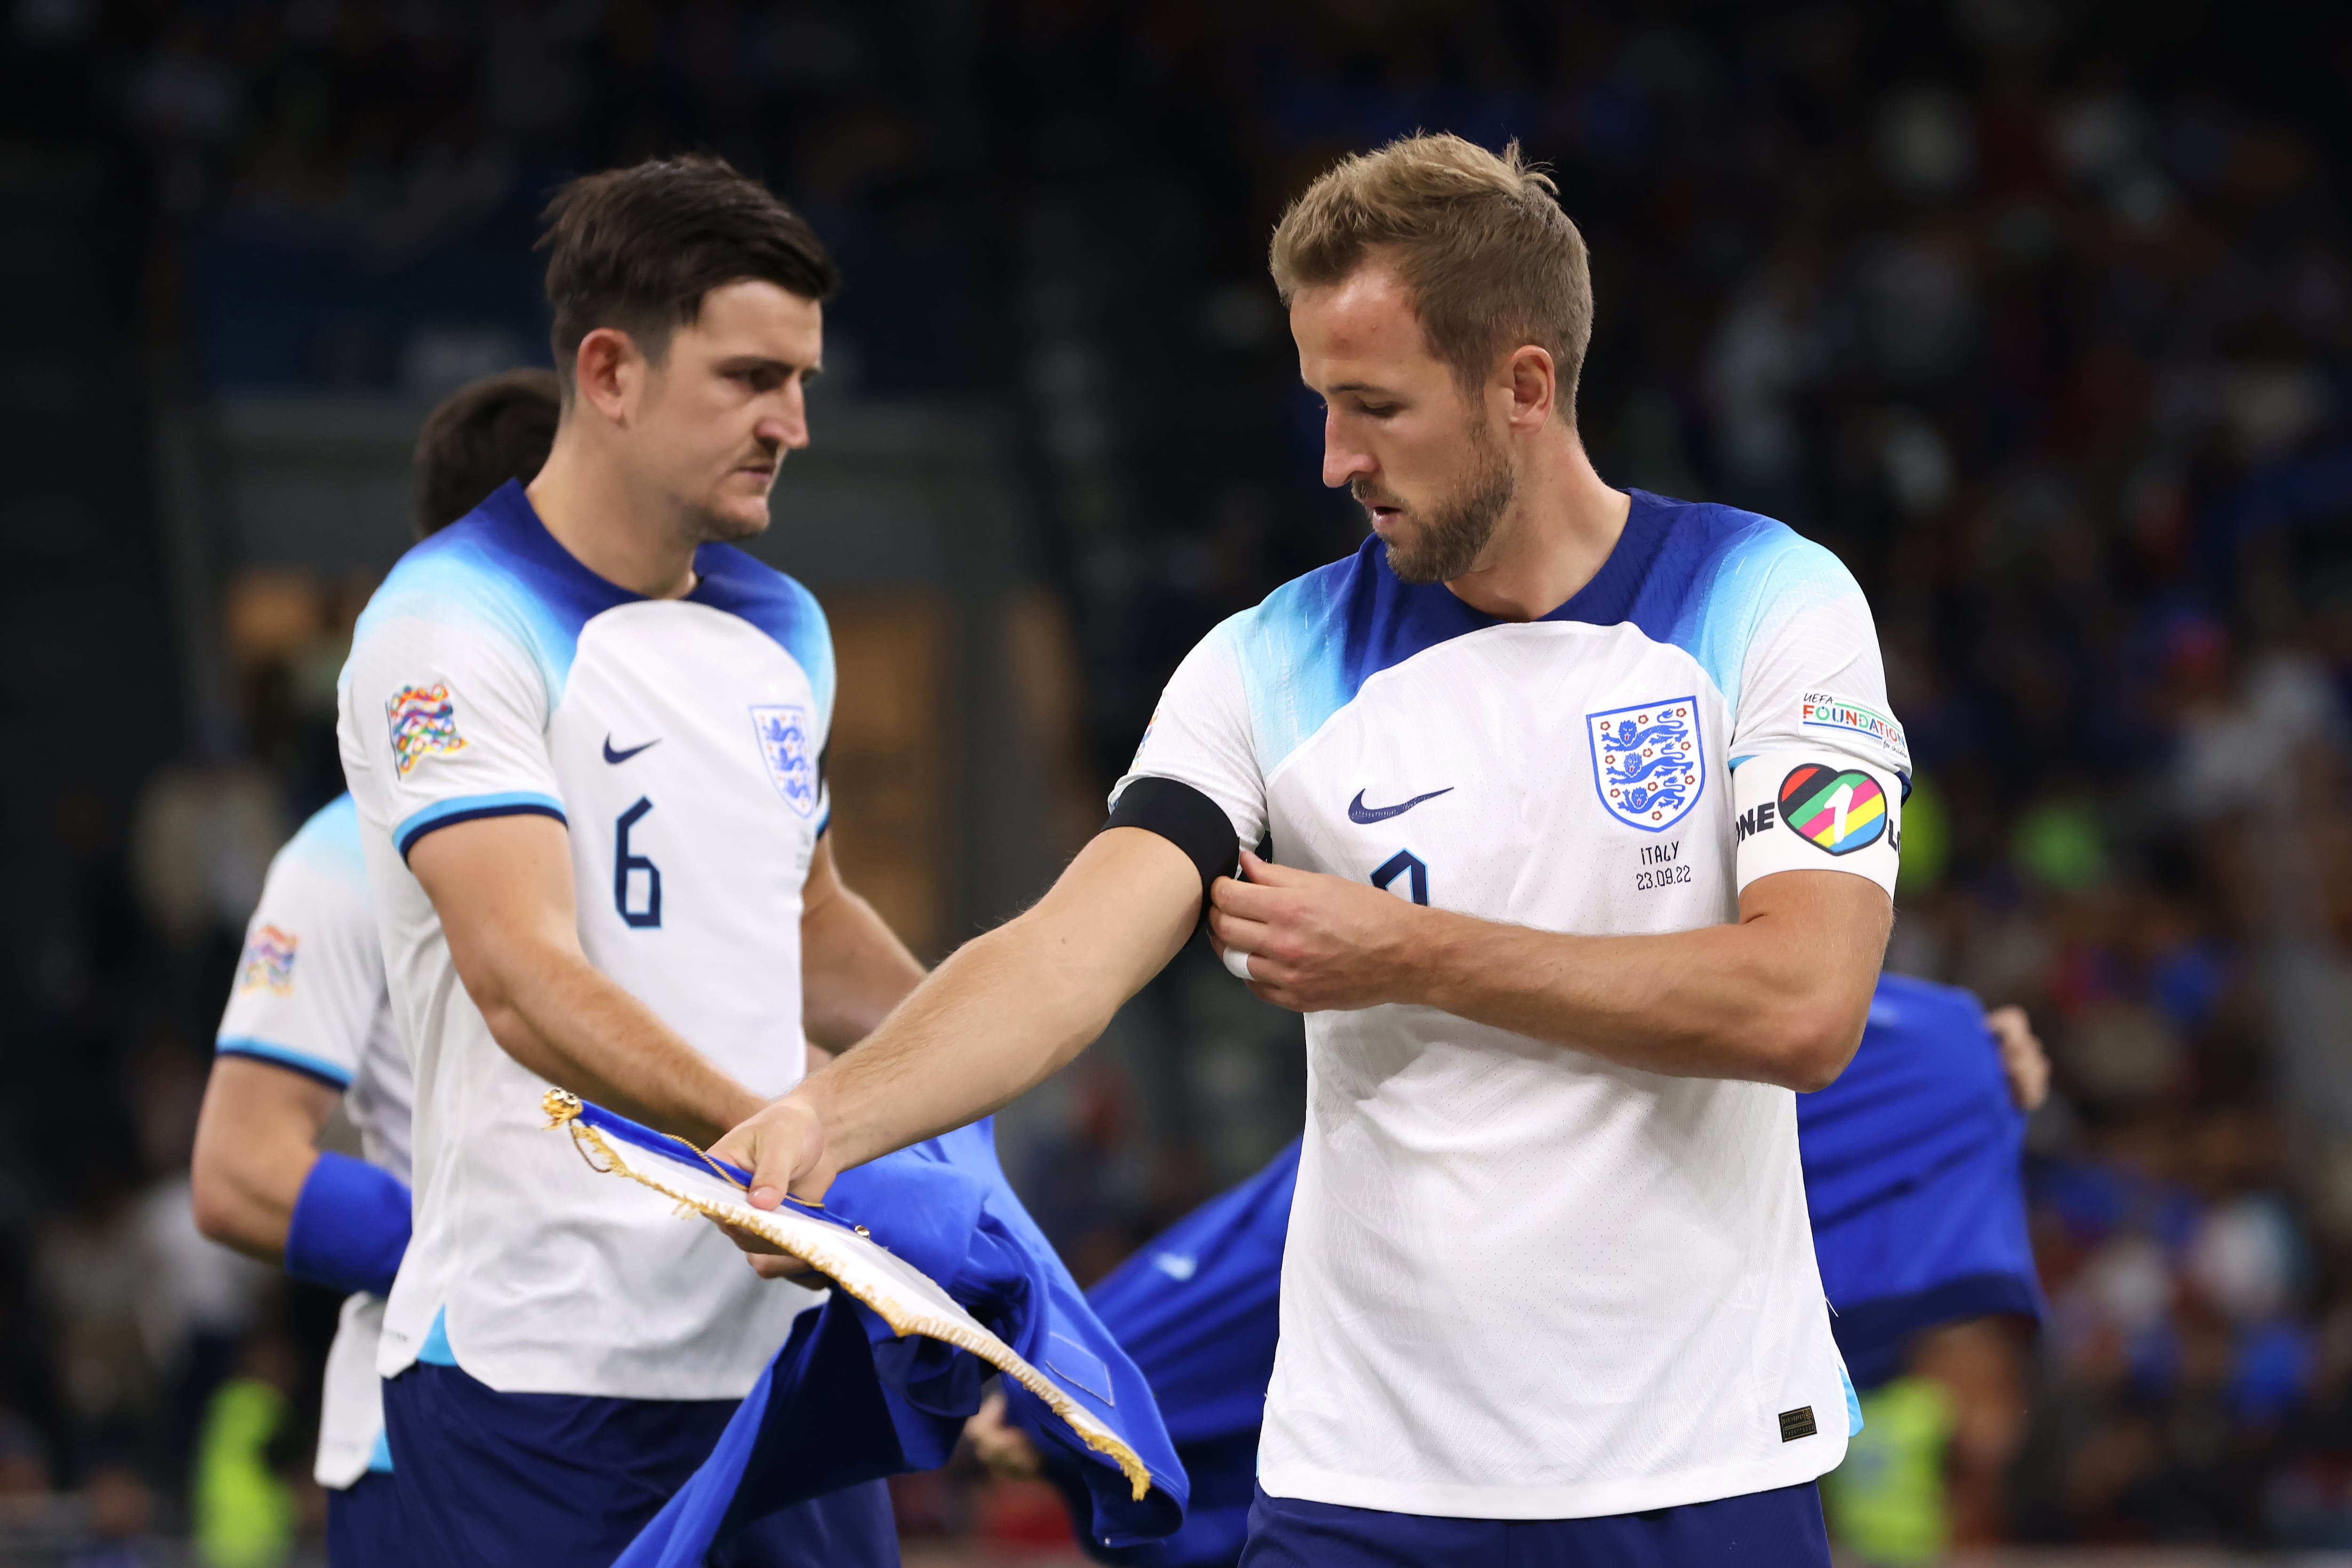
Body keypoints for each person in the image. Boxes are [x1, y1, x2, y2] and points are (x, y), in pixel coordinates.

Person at [715, 131, 1912, 1566]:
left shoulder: (1771, 599)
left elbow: (1804, 1004)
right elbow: (1063, 954)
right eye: (1322, 405)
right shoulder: (1267, 661)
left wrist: (1410, 951)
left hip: (1696, 1463)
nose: (1337, 457)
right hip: (1367, 1480)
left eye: (1377, 407)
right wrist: (828, 1122)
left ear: (1523, 386)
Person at [334, 156, 923, 1567]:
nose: (792, 422)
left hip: (776, 1354)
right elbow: (523, 977)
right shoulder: (448, 619)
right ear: (609, 370)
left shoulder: (786, 623)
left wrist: (963, 1082)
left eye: (803, 380)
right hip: (538, 1370)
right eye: (749, 378)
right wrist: (770, 1151)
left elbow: (816, 924)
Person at [961, 978, 2055, 1568]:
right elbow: (1261, 1258)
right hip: (1434, 1451)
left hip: (1640, 1464)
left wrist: (1953, 1057)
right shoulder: (1424, 1131)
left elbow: (1792, 1000)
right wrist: (1074, 1381)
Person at [190, 366, 563, 1568]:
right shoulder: (344, 849)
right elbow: (242, 1172)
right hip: (438, 1438)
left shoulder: (662, 801)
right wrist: (519, 1246)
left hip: (672, 1402)